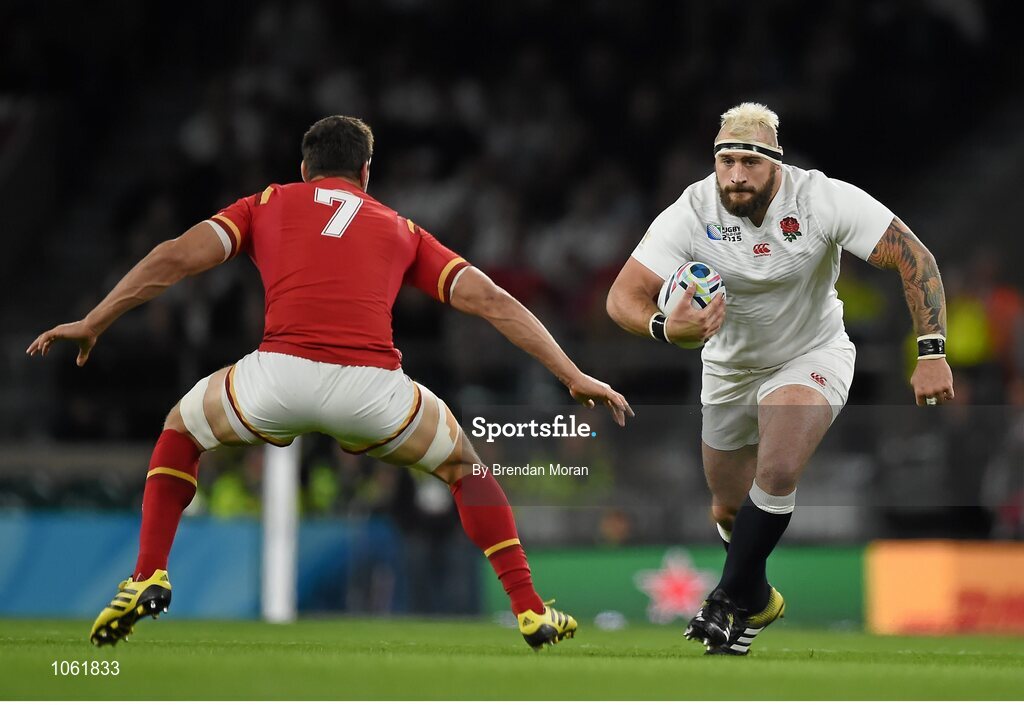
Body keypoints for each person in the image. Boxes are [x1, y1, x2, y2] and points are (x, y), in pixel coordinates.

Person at [28, 115, 632, 649]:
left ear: (303, 167)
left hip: (277, 377)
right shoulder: (401, 228)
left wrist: (94, 320)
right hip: (374, 390)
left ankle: (148, 573)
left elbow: (174, 257)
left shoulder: (264, 203)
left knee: (179, 433)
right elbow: (492, 300)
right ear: (367, 172)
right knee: (464, 470)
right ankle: (529, 609)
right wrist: (571, 374)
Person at [606, 103, 953, 655]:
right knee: (726, 506)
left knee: (779, 465)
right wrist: (662, 327)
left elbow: (915, 258)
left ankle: (723, 601)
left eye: (749, 161)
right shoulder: (692, 210)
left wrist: (931, 351)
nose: (736, 174)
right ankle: (756, 597)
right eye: (726, 161)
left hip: (810, 354)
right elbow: (622, 295)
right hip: (727, 369)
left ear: (776, 164)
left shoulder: (821, 199)